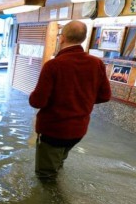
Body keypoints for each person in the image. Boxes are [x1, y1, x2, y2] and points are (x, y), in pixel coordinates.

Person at [29, 20, 111, 181]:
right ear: (84, 38)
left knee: (45, 176)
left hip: (54, 130)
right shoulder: (97, 63)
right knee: (58, 163)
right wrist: (81, 100)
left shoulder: (54, 65)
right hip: (78, 131)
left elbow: (37, 102)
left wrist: (34, 95)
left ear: (62, 38)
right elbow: (104, 96)